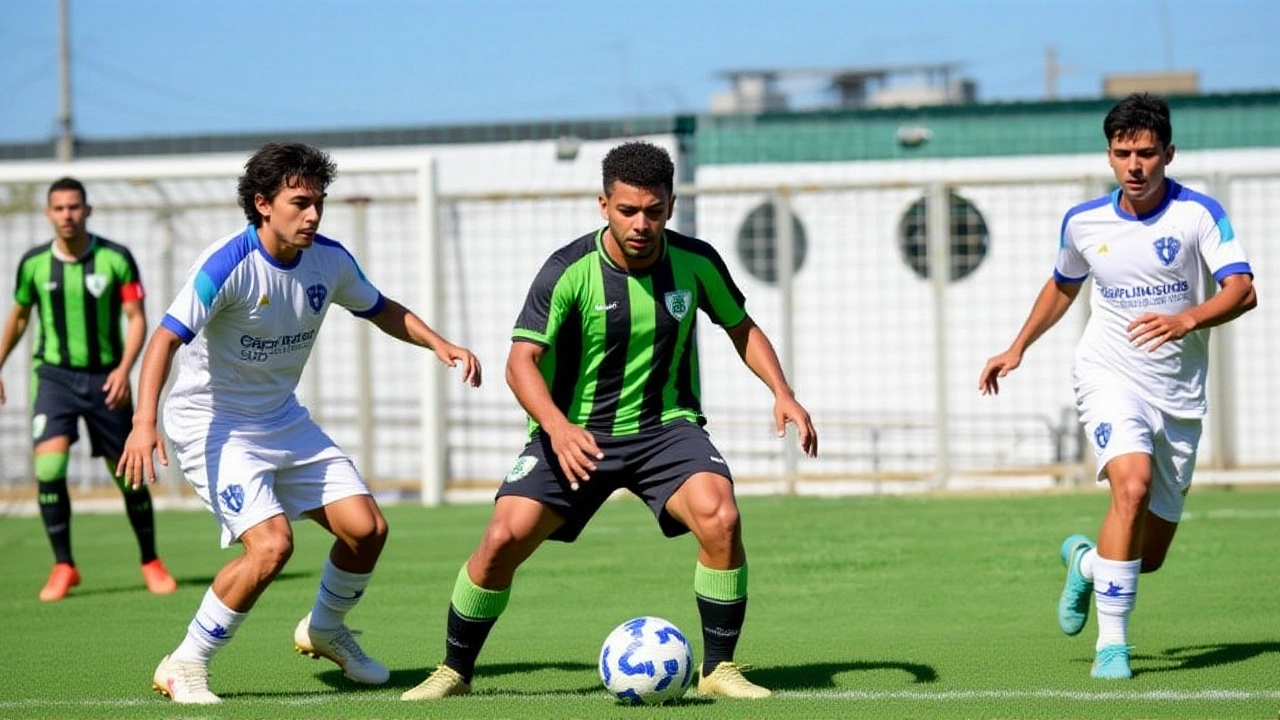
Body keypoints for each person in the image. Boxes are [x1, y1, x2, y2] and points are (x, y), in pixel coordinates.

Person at [400, 140, 818, 702]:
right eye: (627, 210)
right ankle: (454, 671)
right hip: (573, 434)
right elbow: (520, 363)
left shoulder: (696, 261)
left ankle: (718, 668)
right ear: (603, 205)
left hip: (666, 429)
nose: (641, 223)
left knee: (720, 517)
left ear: (670, 205)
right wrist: (556, 426)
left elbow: (741, 327)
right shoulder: (567, 271)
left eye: (653, 210)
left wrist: (782, 392)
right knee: (502, 539)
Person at [115, 143, 483, 705]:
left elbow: (380, 306)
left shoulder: (328, 260)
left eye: (319, 203)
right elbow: (164, 338)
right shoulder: (228, 263)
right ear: (263, 204)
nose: (312, 215)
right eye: (300, 202)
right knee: (270, 547)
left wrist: (440, 343)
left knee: (367, 530)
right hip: (212, 421)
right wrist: (144, 423)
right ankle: (185, 661)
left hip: (281, 417)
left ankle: (324, 628)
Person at [978, 93, 1256, 680]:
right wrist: (1016, 347)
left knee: (1145, 557)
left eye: (1147, 153)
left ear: (1168, 154)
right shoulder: (1083, 223)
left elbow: (1242, 290)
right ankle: (1113, 647)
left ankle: (1084, 565)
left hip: (1177, 394)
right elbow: (1062, 286)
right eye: (1123, 153)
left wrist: (1188, 318)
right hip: (1107, 374)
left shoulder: (1199, 214)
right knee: (1130, 485)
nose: (1135, 165)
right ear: (1109, 156)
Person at [0, 177, 177, 602]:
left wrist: (123, 369)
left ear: (88, 210)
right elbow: (20, 317)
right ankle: (64, 565)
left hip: (106, 379)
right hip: (55, 378)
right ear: (48, 213)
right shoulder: (34, 264)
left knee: (129, 477)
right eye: (59, 208)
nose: (67, 215)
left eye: (74, 207)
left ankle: (151, 560)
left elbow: (137, 317)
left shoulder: (116, 258)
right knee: (49, 469)